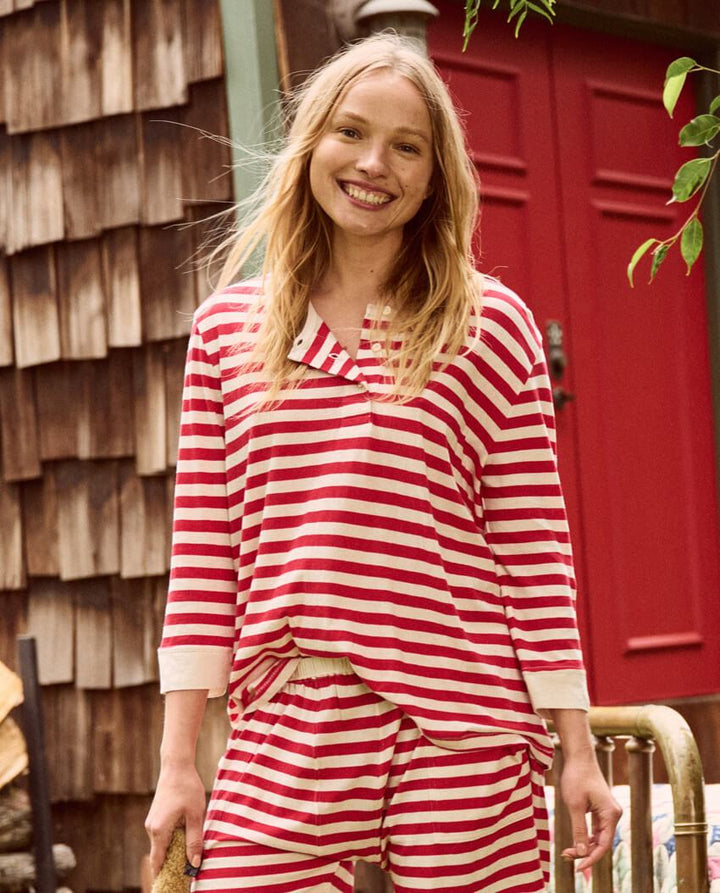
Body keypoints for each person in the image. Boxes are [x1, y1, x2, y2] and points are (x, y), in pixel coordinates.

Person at [145, 32, 621, 893]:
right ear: (311, 145)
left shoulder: (488, 327)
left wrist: (576, 747)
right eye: (351, 132)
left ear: (437, 177)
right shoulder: (227, 333)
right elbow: (206, 561)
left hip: (464, 723)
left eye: (408, 147)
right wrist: (178, 761)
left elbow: (533, 551)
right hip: (289, 715)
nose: (374, 164)